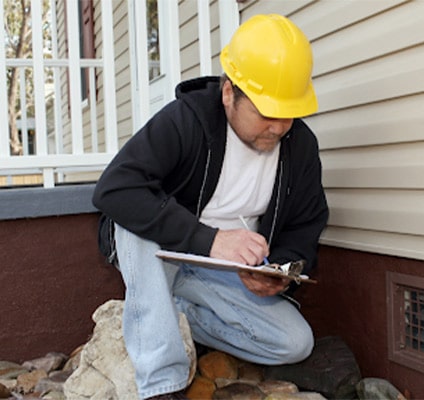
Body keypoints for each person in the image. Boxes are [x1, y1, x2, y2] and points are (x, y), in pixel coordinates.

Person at [92, 13, 328, 400]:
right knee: (135, 221)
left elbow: (306, 224)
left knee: (294, 342)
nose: (279, 126)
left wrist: (279, 268)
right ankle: (161, 384)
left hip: (219, 276)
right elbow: (115, 189)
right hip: (160, 253)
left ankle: (168, 315)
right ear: (228, 93)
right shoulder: (187, 120)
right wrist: (209, 240)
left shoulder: (300, 146)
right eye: (267, 112)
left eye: (289, 113)